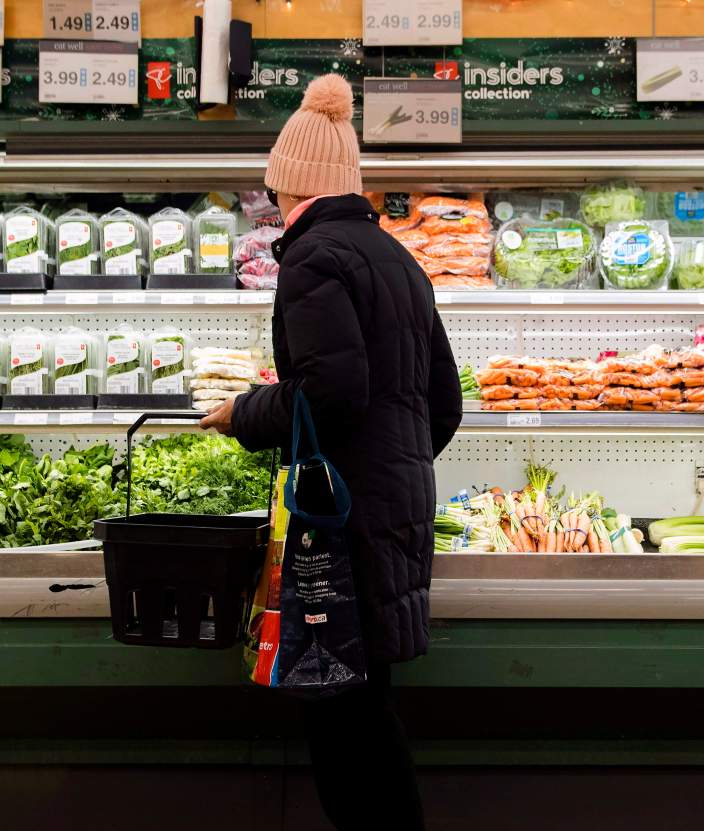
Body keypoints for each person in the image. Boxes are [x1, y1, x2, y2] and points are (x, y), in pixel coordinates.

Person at [200, 73, 462, 830]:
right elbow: (443, 405)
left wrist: (242, 412)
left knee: (344, 734)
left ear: (291, 183)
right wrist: (396, 471)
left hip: (342, 534)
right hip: (389, 518)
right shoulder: (398, 260)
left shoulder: (314, 260)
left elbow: (332, 395)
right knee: (367, 717)